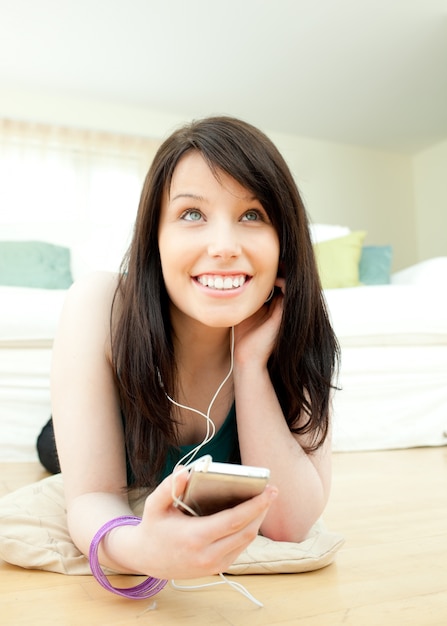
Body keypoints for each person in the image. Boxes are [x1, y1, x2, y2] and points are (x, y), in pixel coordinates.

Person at [37, 116, 339, 593]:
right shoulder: (98, 304)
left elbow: (290, 525)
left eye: (253, 215)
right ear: (154, 237)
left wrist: (250, 367)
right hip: (97, 429)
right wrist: (143, 550)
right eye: (192, 214)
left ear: (285, 240)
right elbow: (93, 494)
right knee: (54, 448)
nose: (223, 247)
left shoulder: (297, 333)